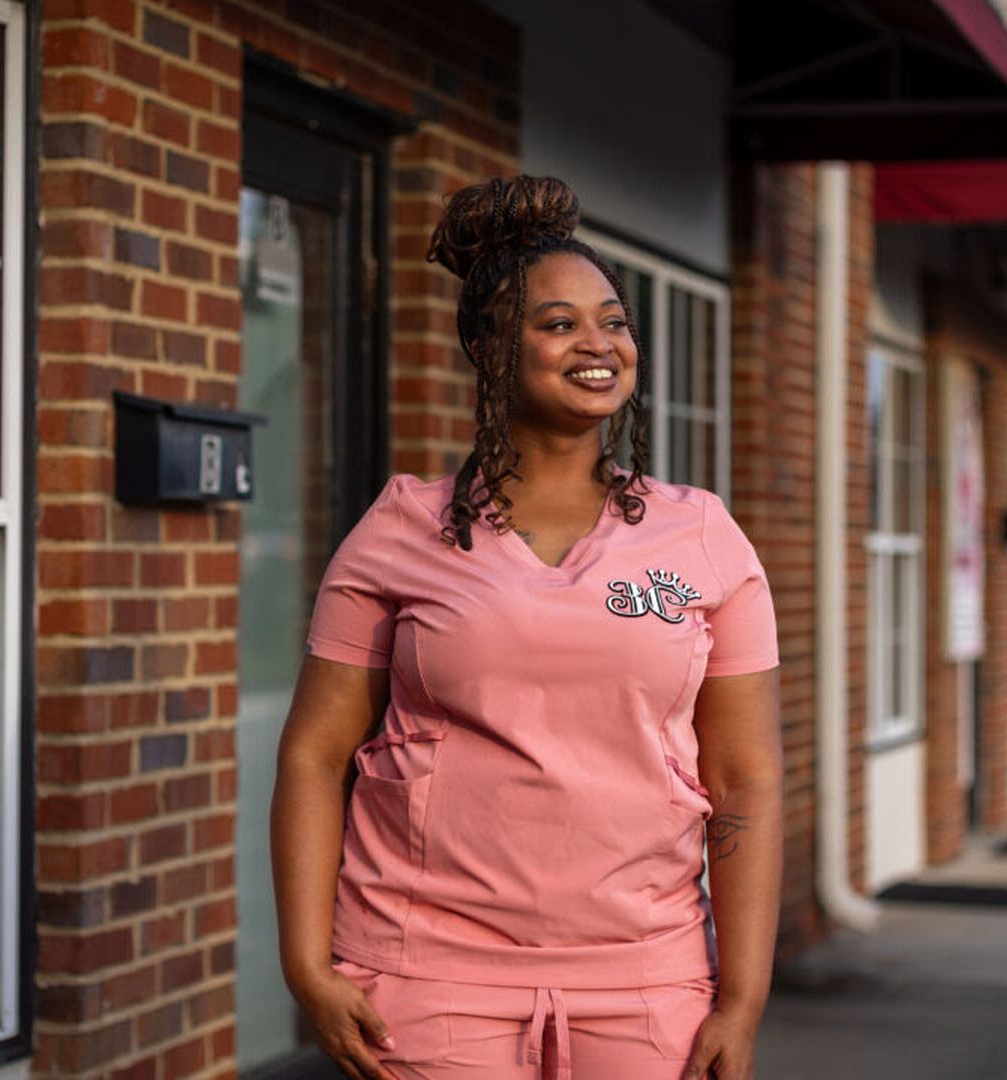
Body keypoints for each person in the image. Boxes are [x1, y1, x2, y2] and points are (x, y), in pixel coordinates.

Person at [270, 175, 782, 1080]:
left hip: (645, 978)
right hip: (426, 974)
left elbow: (744, 778)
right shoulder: (401, 530)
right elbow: (314, 754)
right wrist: (307, 964)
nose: (599, 344)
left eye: (614, 322)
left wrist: (740, 1000)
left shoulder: (702, 536)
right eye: (559, 324)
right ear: (490, 347)